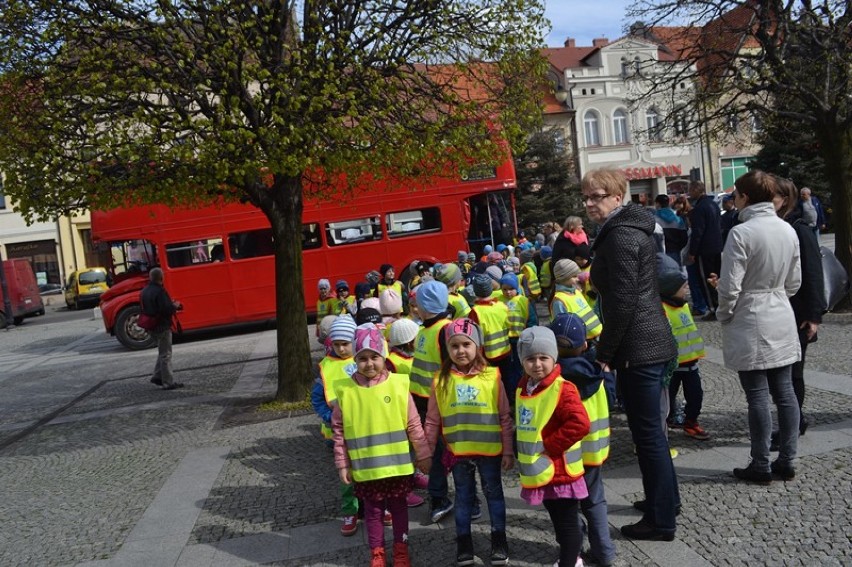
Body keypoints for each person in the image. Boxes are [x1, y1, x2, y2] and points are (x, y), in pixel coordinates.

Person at [583, 167, 679, 541]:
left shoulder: (620, 236)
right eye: (587, 196)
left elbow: (623, 302)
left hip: (640, 345)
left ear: (617, 196)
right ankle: (664, 502)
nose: (590, 203)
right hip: (647, 339)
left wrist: (605, 351)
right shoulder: (626, 230)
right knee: (653, 433)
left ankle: (661, 522)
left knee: (649, 435)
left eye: (598, 196)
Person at [712, 170, 801, 484]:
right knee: (785, 393)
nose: (733, 200)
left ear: (745, 197)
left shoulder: (742, 232)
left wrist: (724, 314)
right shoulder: (786, 229)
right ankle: (787, 459)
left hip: (751, 313)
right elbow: (794, 282)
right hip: (779, 310)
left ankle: (761, 463)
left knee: (759, 397)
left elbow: (730, 287)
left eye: (736, 195)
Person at [332, 324, 431, 567]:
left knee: (399, 510)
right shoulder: (346, 391)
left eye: (374, 357)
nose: (369, 363)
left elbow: (413, 424)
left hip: (397, 468)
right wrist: (342, 463)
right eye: (362, 358)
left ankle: (401, 549)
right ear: (355, 359)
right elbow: (339, 431)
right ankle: (377, 552)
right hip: (367, 471)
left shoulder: (398, 385)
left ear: (383, 356)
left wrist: (423, 454)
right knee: (374, 513)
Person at [425, 318, 514, 567]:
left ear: (477, 346)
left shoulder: (492, 376)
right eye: (454, 346)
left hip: (490, 451)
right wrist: (425, 452)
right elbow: (432, 421)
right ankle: (464, 543)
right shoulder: (440, 381)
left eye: (466, 344)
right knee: (463, 497)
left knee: (494, 495)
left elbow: (504, 416)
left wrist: (508, 449)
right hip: (458, 453)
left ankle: (499, 539)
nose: (461, 350)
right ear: (447, 349)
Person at [515, 325, 591, 567]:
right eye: (530, 359)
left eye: (543, 358)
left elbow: (580, 423)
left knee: (567, 523)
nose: (537, 364)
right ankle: (571, 554)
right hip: (542, 471)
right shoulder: (523, 386)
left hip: (560, 471)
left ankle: (570, 561)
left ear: (554, 358)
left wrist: (550, 445)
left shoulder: (563, 389)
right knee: (559, 521)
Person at [548, 315, 616, 567]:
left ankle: (572, 548)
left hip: (566, 455)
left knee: (566, 505)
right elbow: (611, 399)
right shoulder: (596, 373)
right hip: (594, 450)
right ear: (585, 345)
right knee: (595, 501)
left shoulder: (554, 380)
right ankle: (604, 550)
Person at [771, 177, 826, 449]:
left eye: (773, 197)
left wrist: (815, 315)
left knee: (793, 374)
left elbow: (814, 274)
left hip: (799, 313)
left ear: (785, 199)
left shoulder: (799, 228)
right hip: (782, 311)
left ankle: (791, 427)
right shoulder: (776, 227)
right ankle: (796, 420)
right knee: (784, 374)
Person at [309, 315, 360, 534]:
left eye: (345, 344)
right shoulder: (326, 367)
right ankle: (350, 512)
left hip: (365, 429)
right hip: (339, 432)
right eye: (336, 344)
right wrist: (328, 418)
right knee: (346, 476)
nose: (340, 349)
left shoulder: (364, 357)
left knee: (370, 471)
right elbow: (317, 398)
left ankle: (375, 506)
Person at [657, 255, 711, 440]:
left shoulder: (684, 306)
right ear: (671, 290)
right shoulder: (662, 309)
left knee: (695, 396)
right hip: (672, 366)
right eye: (683, 287)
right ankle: (663, 425)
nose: (687, 289)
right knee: (666, 399)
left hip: (691, 363)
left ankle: (691, 422)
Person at [550, 259, 602, 363]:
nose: (577, 278)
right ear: (563, 278)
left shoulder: (576, 292)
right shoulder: (559, 301)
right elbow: (563, 329)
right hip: (582, 347)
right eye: (574, 276)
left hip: (593, 342)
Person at [140, 268, 184, 390]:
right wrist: (174, 305)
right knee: (166, 354)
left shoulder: (144, 291)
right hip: (162, 326)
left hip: (151, 326)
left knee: (162, 351)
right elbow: (166, 310)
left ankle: (157, 376)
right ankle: (168, 382)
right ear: (161, 278)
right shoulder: (160, 291)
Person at [686, 180, 723, 319]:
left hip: (705, 249)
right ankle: (720, 305)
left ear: (696, 190)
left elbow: (698, 232)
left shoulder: (700, 208)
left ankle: (714, 308)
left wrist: (692, 252)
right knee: (716, 278)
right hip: (716, 247)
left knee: (706, 279)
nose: (689, 193)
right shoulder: (713, 204)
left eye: (690, 190)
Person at [654, 194, 688, 267]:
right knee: (676, 275)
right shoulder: (678, 219)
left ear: (657, 204)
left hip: (659, 255)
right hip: (675, 252)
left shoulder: (653, 220)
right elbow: (684, 238)